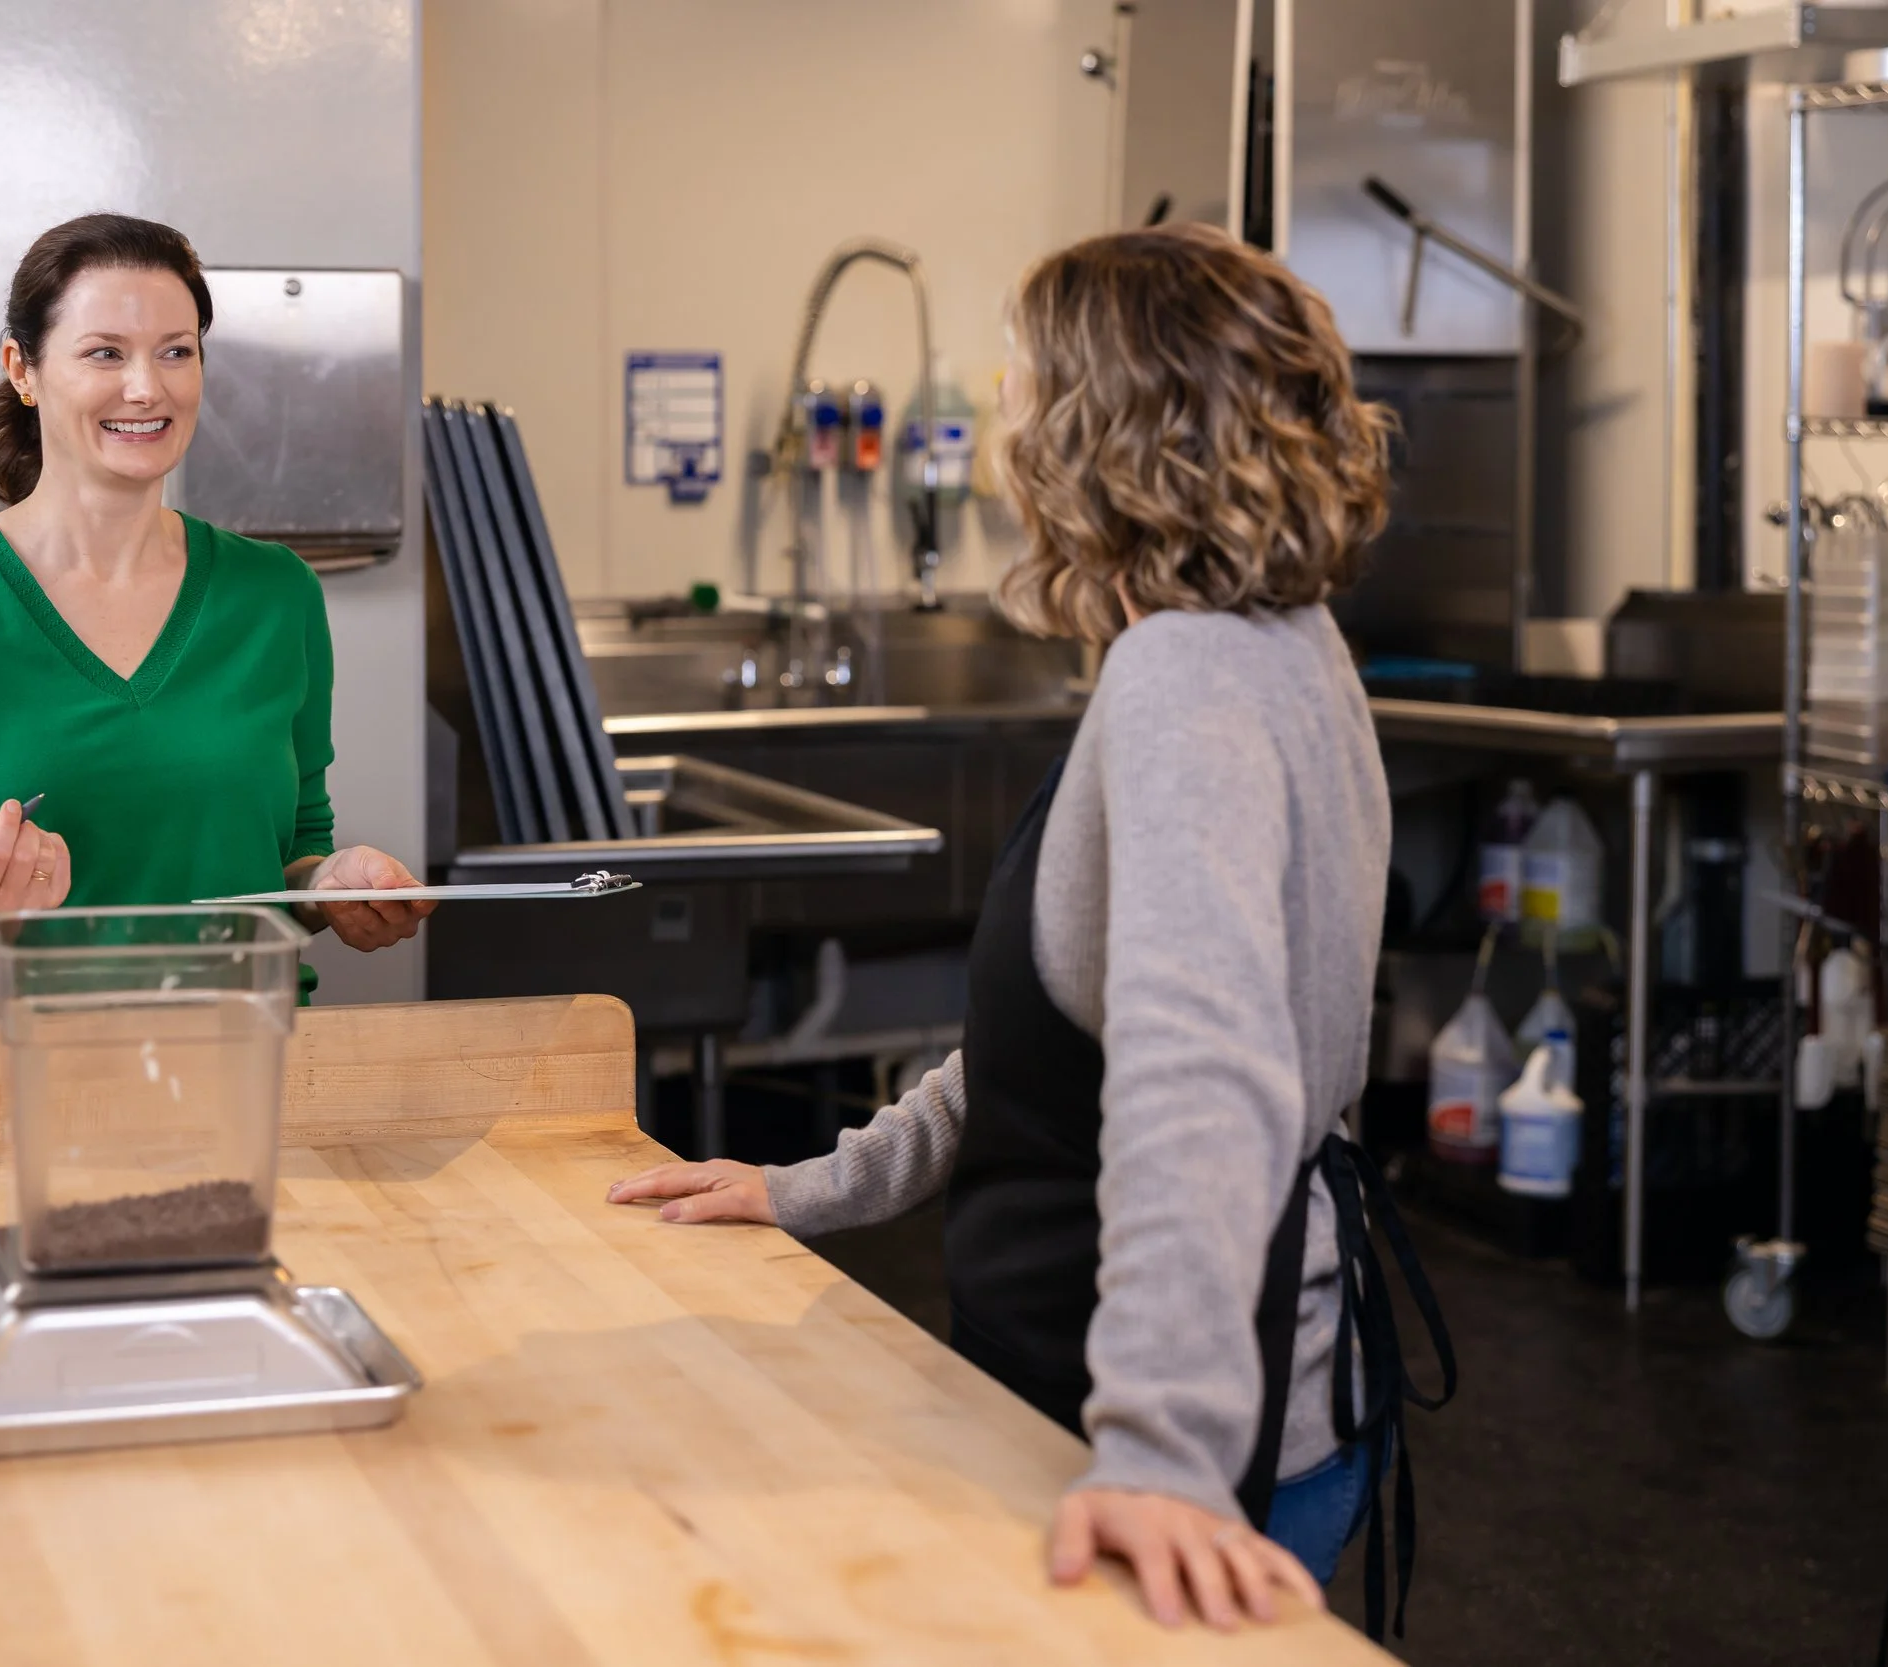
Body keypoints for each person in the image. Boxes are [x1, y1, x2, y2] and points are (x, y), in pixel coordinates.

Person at [608, 224, 1452, 1636]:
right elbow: (1064, 1035)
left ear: (1092, 426)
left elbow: (1203, 1078)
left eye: (1023, 379)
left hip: (1184, 1453)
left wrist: (1164, 1456)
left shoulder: (1188, 680)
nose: (1002, 410)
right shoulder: (1269, 638)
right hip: (1206, 1395)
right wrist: (820, 1183)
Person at [0, 213, 433, 1022]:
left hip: (245, 1073)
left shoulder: (276, 594)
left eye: (176, 351)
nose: (147, 387)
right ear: (23, 367)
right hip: (15, 1087)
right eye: (104, 352)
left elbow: (291, 850)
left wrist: (327, 886)